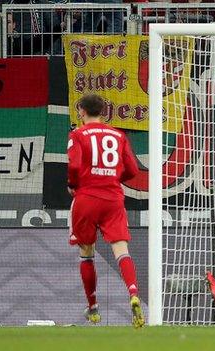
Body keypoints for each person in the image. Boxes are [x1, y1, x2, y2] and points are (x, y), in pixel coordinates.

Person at [66, 94, 143, 327]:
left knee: (86, 253)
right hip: (113, 198)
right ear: (103, 112)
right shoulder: (118, 135)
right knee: (121, 250)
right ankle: (133, 293)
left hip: (87, 197)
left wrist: (72, 184)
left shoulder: (77, 135)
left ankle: (93, 307)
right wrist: (113, 177)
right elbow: (132, 169)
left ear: (81, 111)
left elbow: (75, 165)